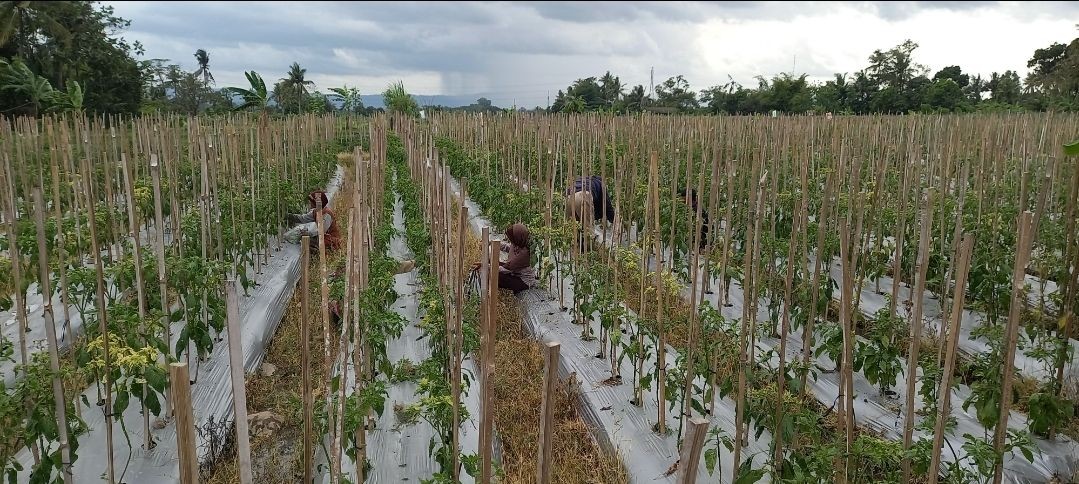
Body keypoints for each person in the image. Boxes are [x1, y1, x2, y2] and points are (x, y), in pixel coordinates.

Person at [472, 223, 537, 293]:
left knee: (495, 276)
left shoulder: (524, 254)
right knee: (492, 266)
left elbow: (506, 269)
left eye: (512, 238)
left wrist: (485, 265)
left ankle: (488, 293)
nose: (511, 240)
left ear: (517, 237)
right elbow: (507, 247)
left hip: (523, 281)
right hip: (514, 273)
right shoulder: (519, 244)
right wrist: (491, 242)